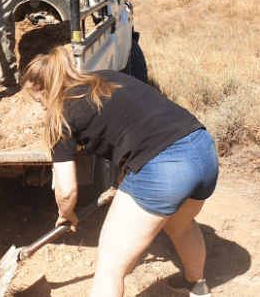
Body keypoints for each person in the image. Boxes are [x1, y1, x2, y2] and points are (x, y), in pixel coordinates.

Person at [22, 45, 218, 297]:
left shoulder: (61, 117)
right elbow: (135, 125)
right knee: (181, 225)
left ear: (47, 90)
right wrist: (124, 177)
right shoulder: (106, 78)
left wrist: (65, 213)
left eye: (39, 100)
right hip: (202, 149)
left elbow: (67, 190)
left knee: (110, 266)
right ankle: (196, 286)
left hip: (166, 168)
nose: (41, 107)